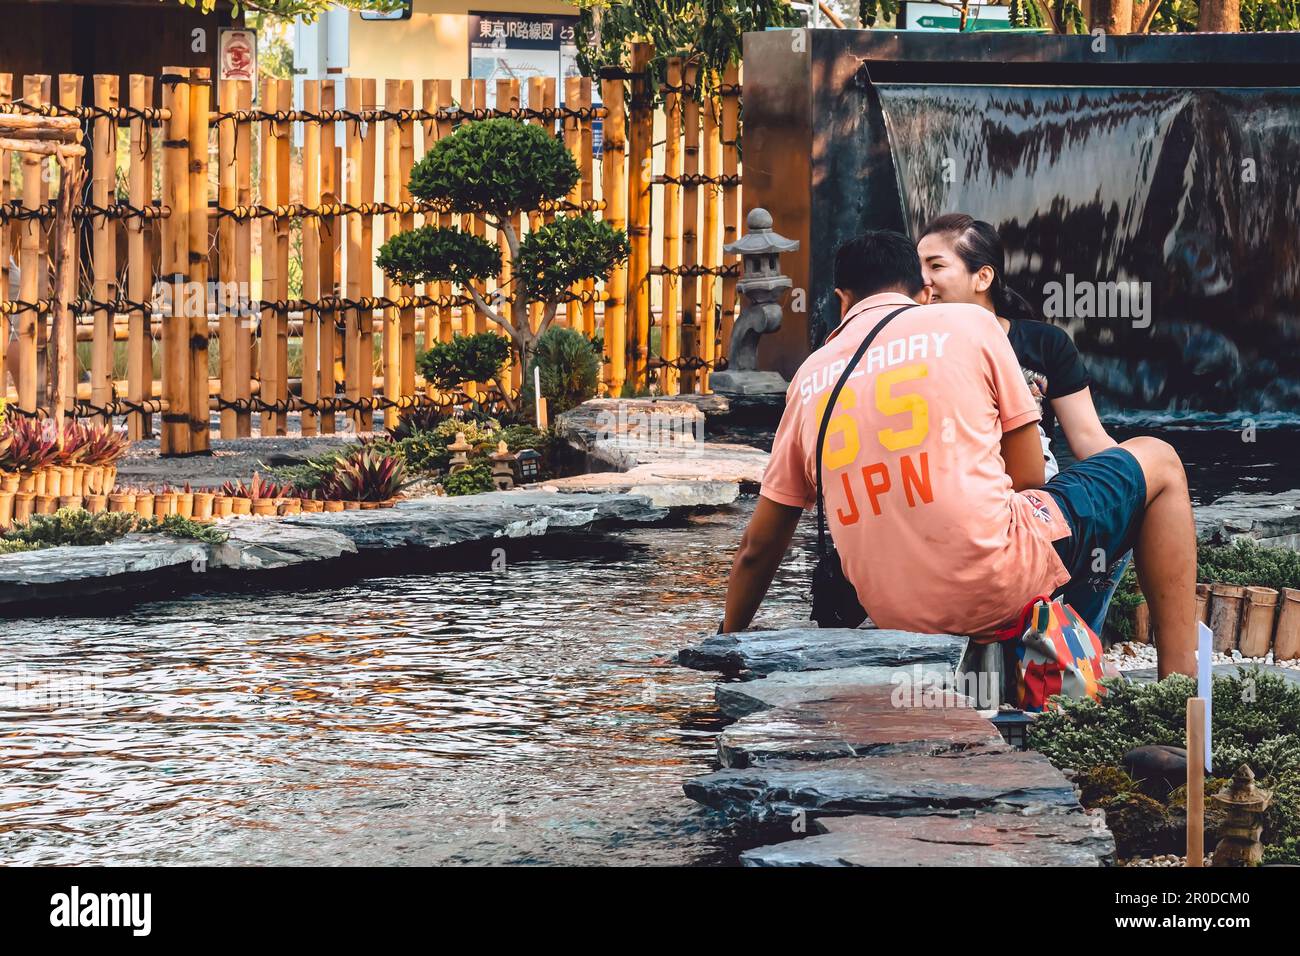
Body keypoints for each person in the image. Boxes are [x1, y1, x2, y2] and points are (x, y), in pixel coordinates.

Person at [721, 230, 1196, 678]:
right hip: (996, 585)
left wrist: (726, 643)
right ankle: (1179, 690)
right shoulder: (971, 323)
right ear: (921, 293)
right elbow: (1030, 475)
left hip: (892, 611)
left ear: (842, 300)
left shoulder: (809, 377)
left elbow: (758, 549)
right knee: (1159, 459)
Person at [916, 213, 1125, 635]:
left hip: (1030, 498)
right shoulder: (913, 346)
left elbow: (1087, 438)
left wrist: (1133, 479)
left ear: (983, 276)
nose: (922, 280)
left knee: (1122, 512)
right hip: (948, 501)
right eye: (916, 267)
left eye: (936, 266)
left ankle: (1075, 641)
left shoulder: (1045, 344)